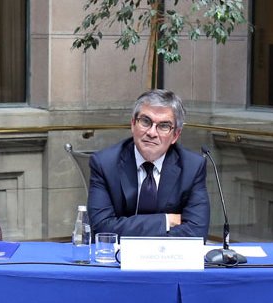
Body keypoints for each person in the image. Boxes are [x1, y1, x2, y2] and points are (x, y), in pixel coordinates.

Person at [87, 89, 210, 239]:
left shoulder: (192, 167)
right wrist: (165, 221)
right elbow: (101, 229)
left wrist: (125, 228)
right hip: (118, 258)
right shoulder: (105, 164)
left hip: (169, 258)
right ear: (133, 124)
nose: (152, 132)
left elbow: (196, 233)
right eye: (145, 121)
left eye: (164, 126)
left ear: (175, 135)